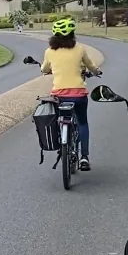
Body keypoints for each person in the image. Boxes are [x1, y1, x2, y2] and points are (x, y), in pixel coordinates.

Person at [40, 18, 102, 170]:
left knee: (59, 119)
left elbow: (44, 69)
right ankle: (85, 157)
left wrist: (49, 70)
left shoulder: (49, 52)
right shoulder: (79, 49)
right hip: (79, 95)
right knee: (82, 122)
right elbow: (91, 66)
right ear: (72, 35)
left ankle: (62, 141)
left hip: (59, 96)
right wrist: (97, 72)